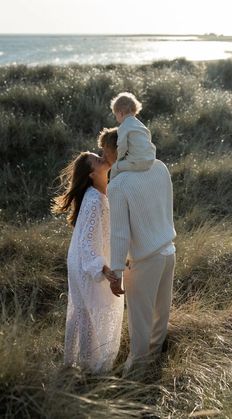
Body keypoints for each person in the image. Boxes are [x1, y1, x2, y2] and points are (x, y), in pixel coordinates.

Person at [98, 127, 176, 375]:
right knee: (159, 315)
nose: (103, 156)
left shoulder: (119, 184)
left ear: (117, 150)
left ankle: (136, 374)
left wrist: (117, 272)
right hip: (168, 250)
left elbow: (120, 233)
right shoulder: (160, 166)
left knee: (140, 322)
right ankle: (153, 365)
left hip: (143, 261)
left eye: (104, 150)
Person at [52, 151, 124, 373]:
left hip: (84, 260)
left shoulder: (102, 194)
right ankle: (90, 367)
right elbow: (87, 242)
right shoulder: (94, 200)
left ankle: (83, 364)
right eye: (97, 159)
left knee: (86, 310)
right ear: (92, 173)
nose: (103, 158)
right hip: (86, 263)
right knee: (91, 311)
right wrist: (103, 268)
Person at [110, 92, 156, 179]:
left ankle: (111, 189)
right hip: (150, 160)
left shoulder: (123, 126)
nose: (116, 118)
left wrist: (119, 160)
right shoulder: (140, 125)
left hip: (137, 163)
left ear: (121, 113)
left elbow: (122, 146)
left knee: (115, 167)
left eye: (116, 115)